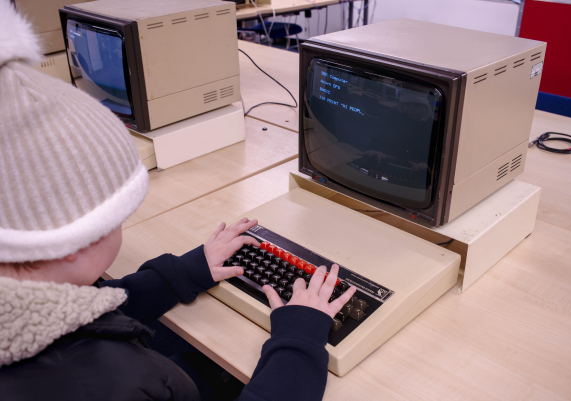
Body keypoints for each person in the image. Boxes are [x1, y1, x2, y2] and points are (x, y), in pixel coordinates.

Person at [0, 2, 356, 400]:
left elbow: (87, 310)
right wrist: (300, 338)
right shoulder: (118, 384)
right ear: (72, 239)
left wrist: (183, 273)